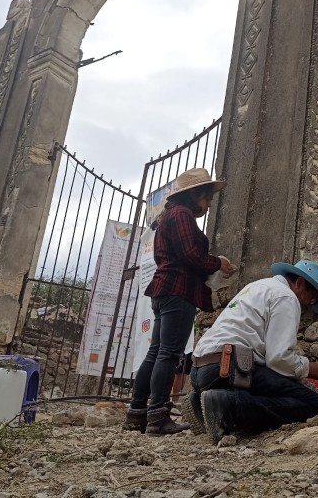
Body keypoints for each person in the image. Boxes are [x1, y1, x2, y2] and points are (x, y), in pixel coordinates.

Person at [186, 259, 318, 443]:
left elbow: (269, 361)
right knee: (312, 403)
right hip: (227, 368)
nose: (310, 306)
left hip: (201, 371)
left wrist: (300, 383)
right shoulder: (287, 297)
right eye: (312, 298)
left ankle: (200, 400)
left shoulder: (259, 286)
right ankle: (227, 404)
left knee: (283, 388)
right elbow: (278, 359)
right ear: (299, 283)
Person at [125, 168, 236, 436]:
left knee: (157, 352)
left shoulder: (169, 214)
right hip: (179, 289)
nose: (209, 204)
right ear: (196, 194)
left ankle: (137, 413)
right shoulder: (182, 215)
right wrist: (218, 263)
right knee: (169, 354)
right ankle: (158, 417)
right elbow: (191, 256)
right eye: (207, 198)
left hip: (164, 290)